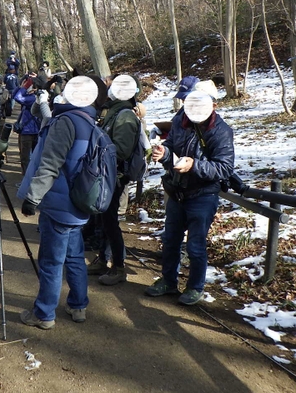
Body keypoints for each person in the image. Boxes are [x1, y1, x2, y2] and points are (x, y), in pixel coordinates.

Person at [17, 75, 108, 329]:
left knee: (51, 262)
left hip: (59, 206)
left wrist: (32, 198)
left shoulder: (65, 122)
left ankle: (44, 314)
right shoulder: (89, 121)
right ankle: (78, 306)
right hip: (80, 204)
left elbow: (50, 166)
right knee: (75, 258)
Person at [145, 80, 234, 306]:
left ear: (213, 105)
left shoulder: (221, 131)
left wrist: (193, 165)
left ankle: (195, 286)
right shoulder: (179, 120)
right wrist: (164, 153)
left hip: (202, 195)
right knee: (171, 240)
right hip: (177, 192)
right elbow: (172, 147)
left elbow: (224, 168)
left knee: (195, 245)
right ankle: (168, 281)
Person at [89, 74, 141, 286]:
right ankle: (103, 260)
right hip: (107, 173)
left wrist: (98, 150)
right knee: (103, 220)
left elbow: (122, 151)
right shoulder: (114, 112)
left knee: (111, 222)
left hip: (116, 176)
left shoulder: (126, 116)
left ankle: (118, 267)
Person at [13, 75, 43, 174]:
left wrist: (24, 88)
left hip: (28, 131)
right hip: (33, 130)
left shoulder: (33, 98)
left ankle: (27, 178)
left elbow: (18, 98)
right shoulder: (35, 96)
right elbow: (14, 95)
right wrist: (20, 87)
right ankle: (30, 176)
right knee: (32, 156)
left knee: (25, 157)